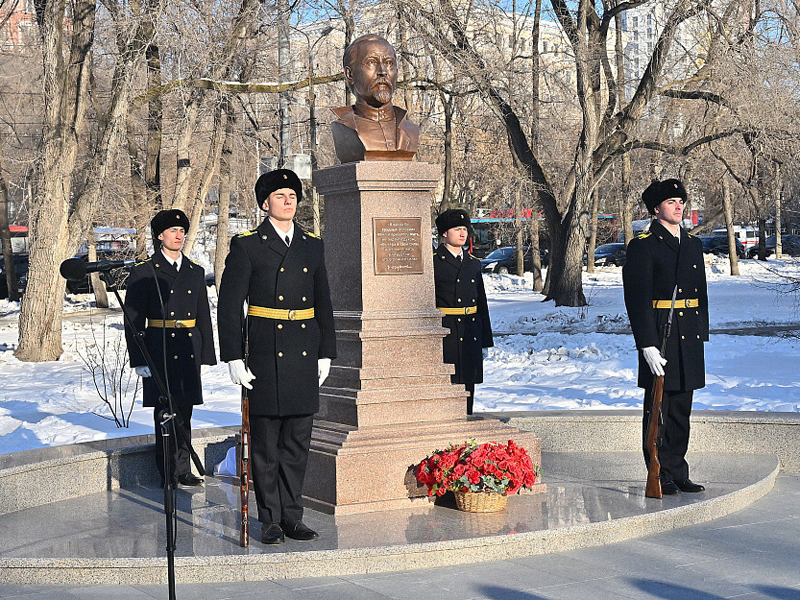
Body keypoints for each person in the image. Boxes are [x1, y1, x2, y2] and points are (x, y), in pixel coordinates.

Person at [217, 168, 336, 545]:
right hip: (265, 354)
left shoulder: (312, 244)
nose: (289, 201)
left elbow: (324, 303)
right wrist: (235, 357)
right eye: (281, 195)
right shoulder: (248, 244)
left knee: (298, 443)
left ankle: (291, 515)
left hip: (303, 354)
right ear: (265, 203)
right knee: (266, 444)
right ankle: (268, 518)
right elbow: (229, 305)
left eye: (293, 195)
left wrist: (326, 353)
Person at [623, 178, 709, 496]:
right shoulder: (644, 246)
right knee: (659, 406)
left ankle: (678, 469)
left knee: (682, 408)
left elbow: (700, 294)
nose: (678, 206)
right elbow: (637, 297)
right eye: (672, 202)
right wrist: (646, 343)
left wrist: (702, 332)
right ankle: (658, 472)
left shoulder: (692, 244)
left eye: (681, 201)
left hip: (688, 334)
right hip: (661, 331)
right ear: (656, 209)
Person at [124, 209, 216, 487]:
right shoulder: (144, 271)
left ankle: (183, 468)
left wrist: (206, 354)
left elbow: (203, 315)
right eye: (173, 231)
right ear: (160, 235)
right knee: (164, 411)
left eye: (182, 231)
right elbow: (133, 318)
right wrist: (138, 358)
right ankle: (167, 473)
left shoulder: (195, 271)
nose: (179, 235)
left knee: (185, 409)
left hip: (188, 345)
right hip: (158, 346)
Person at [433, 209, 493, 415]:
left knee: (468, 385)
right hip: (446, 330)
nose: (463, 233)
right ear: (444, 233)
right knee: (448, 384)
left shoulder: (473, 263)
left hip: (470, 331)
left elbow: (482, 303)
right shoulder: (433, 263)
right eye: (457, 229)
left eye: (465, 229)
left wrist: (485, 340)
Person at [330, 34, 419, 163]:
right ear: (350, 74)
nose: (383, 71)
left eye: (389, 63)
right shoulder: (344, 129)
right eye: (371, 62)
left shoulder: (410, 130)